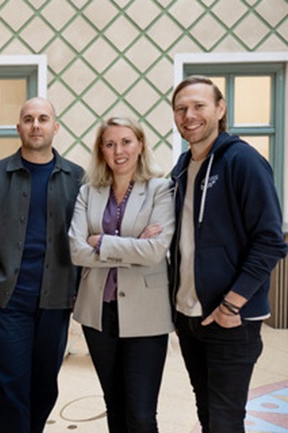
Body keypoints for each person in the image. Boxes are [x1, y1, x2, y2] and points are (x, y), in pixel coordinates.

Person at [170, 75, 288, 433]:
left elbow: (270, 241)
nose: (189, 115)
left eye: (199, 106)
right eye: (181, 108)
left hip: (231, 319)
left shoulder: (243, 161)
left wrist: (231, 306)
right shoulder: (182, 167)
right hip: (189, 316)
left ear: (220, 109)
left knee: (225, 422)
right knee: (208, 415)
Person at [0, 97, 84, 433]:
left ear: (55, 127)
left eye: (43, 118)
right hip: (9, 301)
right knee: (9, 388)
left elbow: (88, 234)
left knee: (45, 386)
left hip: (56, 301)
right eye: (28, 119)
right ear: (18, 128)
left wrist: (77, 286)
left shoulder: (76, 178)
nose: (35, 125)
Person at [68, 116, 175, 432]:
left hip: (147, 314)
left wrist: (101, 242)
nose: (119, 151)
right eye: (110, 144)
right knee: (114, 405)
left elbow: (155, 251)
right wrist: (133, 246)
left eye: (126, 142)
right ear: (101, 150)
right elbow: (76, 250)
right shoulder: (89, 192)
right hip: (98, 313)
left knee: (141, 414)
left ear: (140, 144)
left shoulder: (160, 189)